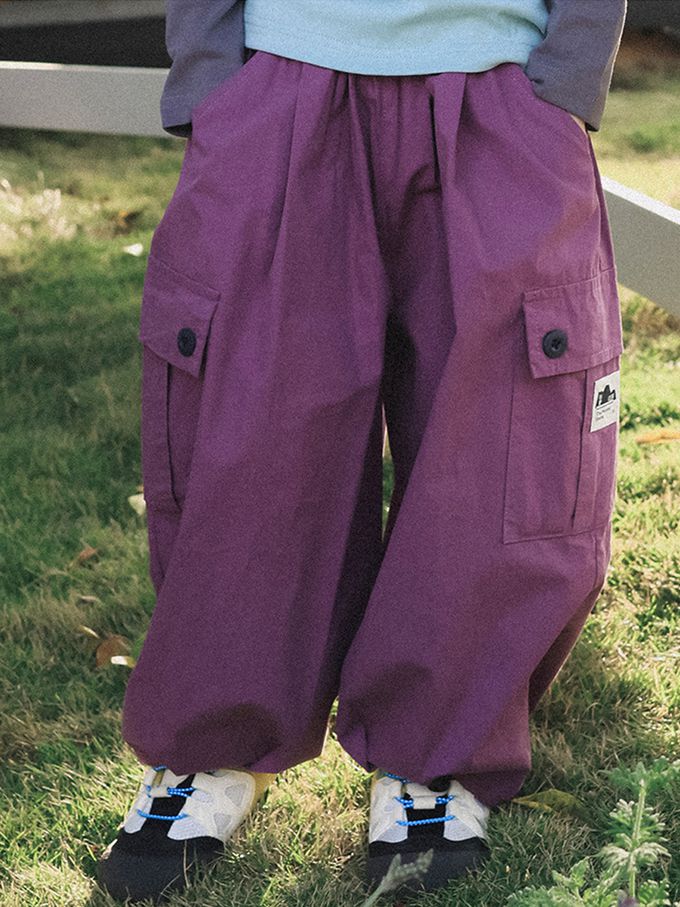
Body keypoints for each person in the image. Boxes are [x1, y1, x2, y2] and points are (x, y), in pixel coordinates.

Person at [97, 0, 628, 902]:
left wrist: (566, 82)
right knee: (248, 438)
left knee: (495, 448)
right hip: (280, 75)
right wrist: (211, 80)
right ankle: (215, 741)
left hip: (501, 86)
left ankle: (436, 753)